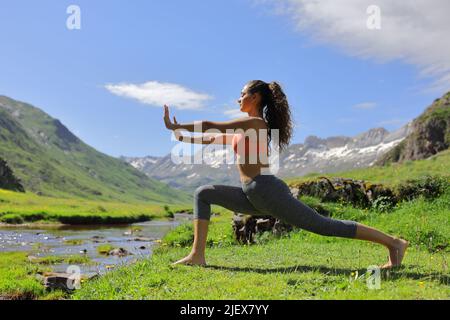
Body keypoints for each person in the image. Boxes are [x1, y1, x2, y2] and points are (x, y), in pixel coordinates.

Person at [163, 80, 408, 269]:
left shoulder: (255, 124)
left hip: (266, 190)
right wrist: (178, 134)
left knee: (323, 226)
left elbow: (209, 124)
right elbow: (207, 138)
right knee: (203, 193)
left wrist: (178, 125)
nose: (238, 98)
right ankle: (197, 255)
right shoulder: (243, 130)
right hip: (253, 195)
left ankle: (394, 243)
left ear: (255, 97)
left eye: (242, 94)